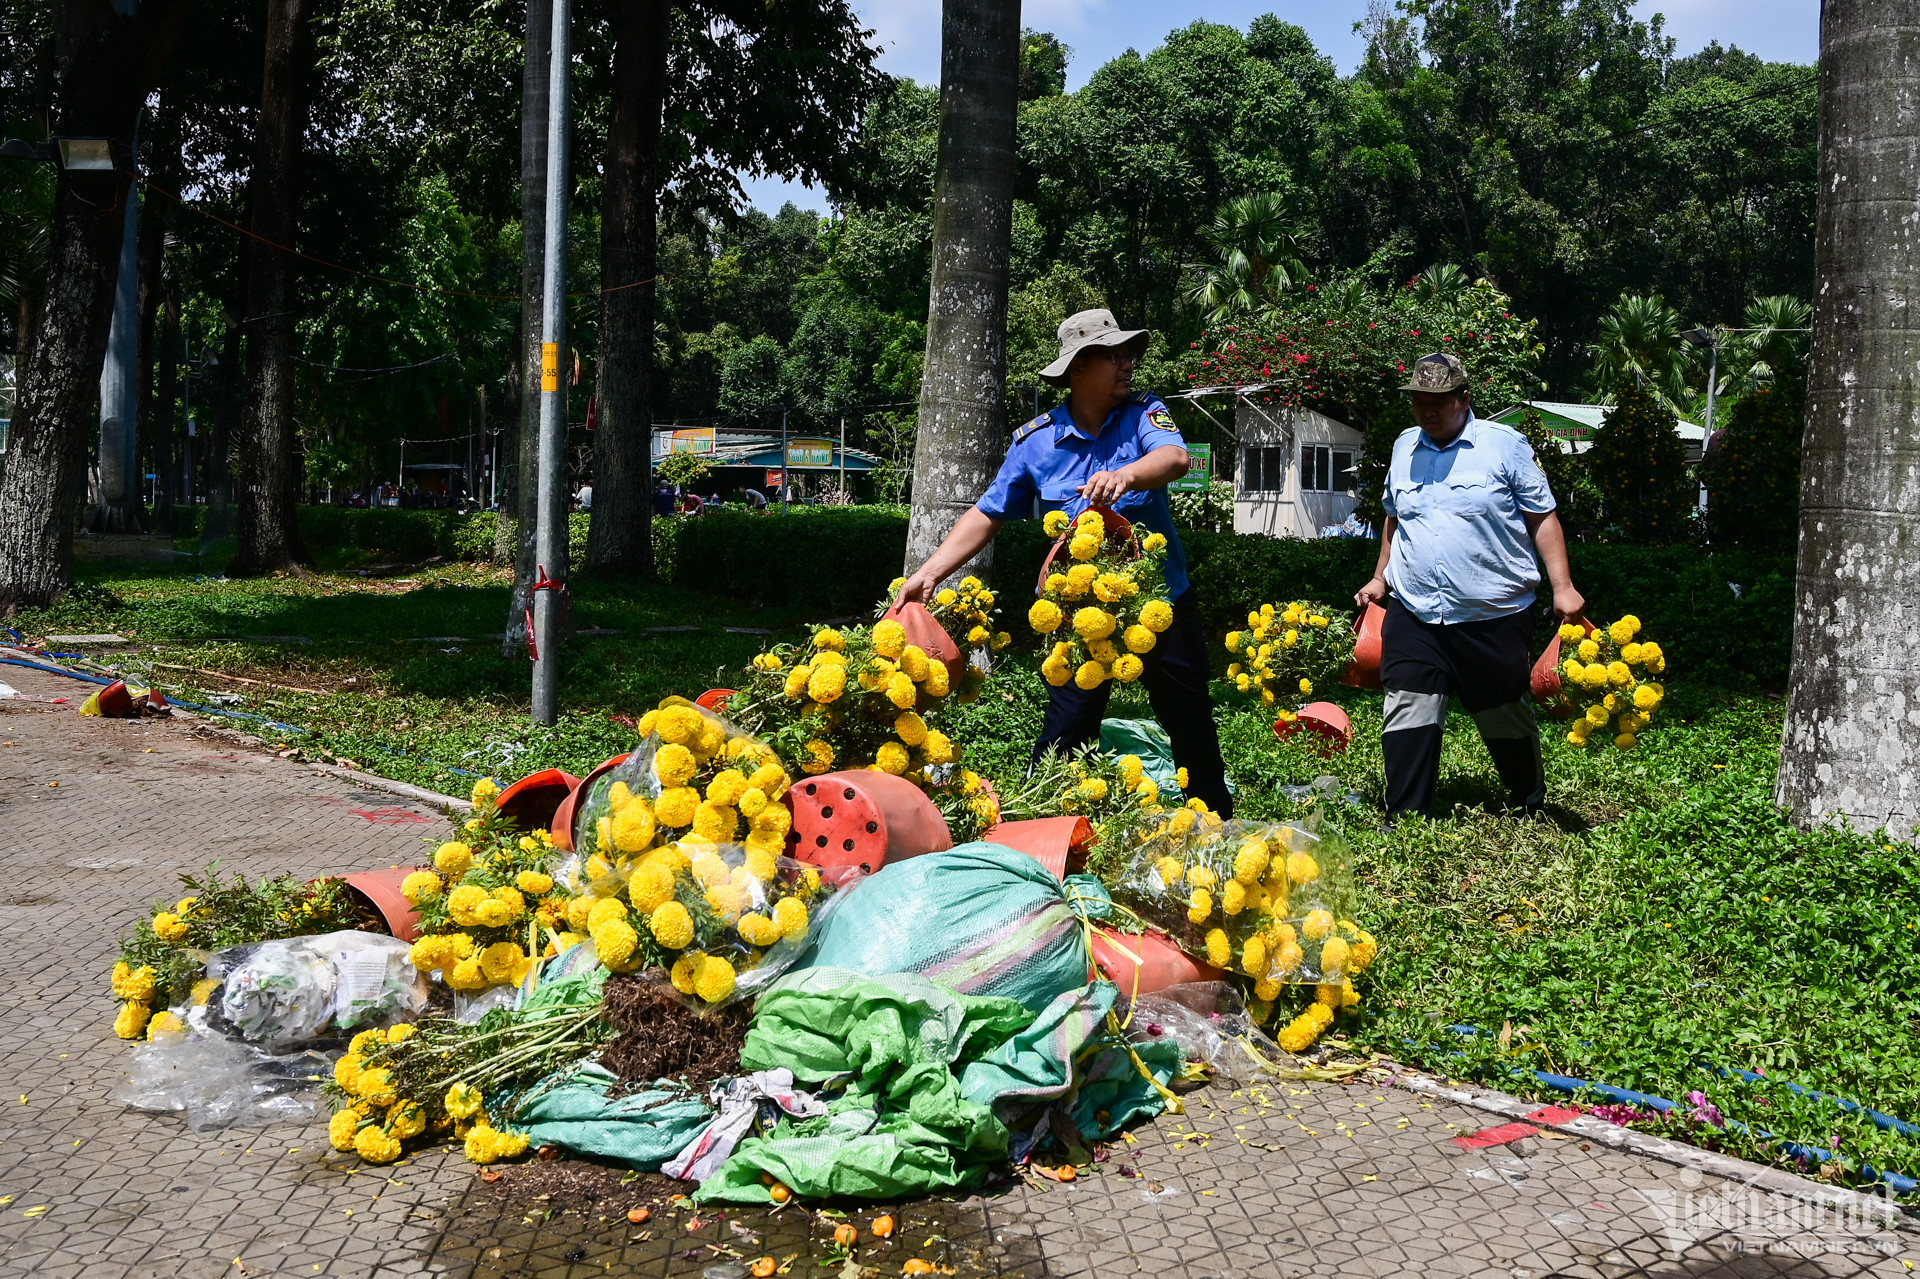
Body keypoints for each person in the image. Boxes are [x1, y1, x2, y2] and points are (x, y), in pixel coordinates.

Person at [896, 308, 1233, 815]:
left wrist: (1126, 475)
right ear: (1077, 368)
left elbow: (1175, 459)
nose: (1127, 365)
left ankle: (1216, 823)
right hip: (1080, 619)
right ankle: (1047, 825)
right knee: (1068, 726)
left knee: (1190, 722)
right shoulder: (1035, 442)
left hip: (1161, 602)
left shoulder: (1144, 413)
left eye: (1129, 354)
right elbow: (988, 514)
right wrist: (927, 573)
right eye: (1113, 355)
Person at [1353, 352, 1585, 820]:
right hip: (1415, 610)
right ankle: (1405, 816)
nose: (1428, 411)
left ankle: (1528, 803)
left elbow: (1542, 517)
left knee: (1502, 711)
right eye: (1419, 401)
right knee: (1408, 707)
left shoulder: (1504, 446)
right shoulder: (1404, 448)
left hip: (1492, 614)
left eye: (1438, 401)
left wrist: (1563, 587)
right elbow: (1394, 520)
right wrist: (1380, 578)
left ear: (1464, 398)